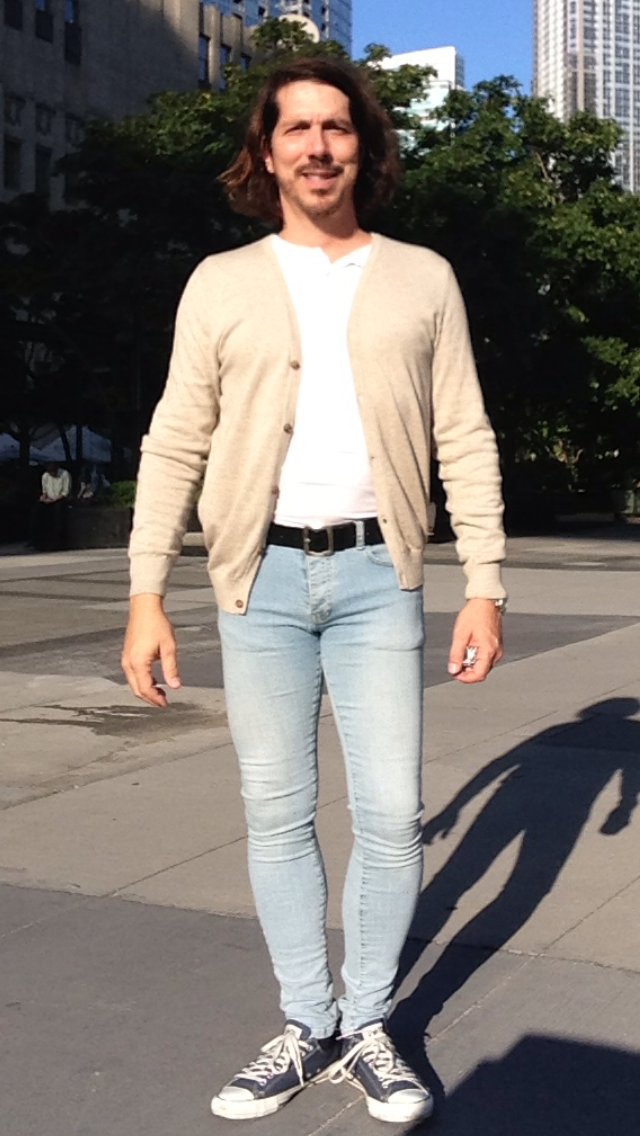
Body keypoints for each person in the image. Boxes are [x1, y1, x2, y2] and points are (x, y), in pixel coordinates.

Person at [122, 57, 506, 1126]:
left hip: (381, 574)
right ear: (268, 150)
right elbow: (174, 438)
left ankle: (368, 1023)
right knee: (277, 812)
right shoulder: (221, 282)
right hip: (261, 579)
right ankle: (307, 1022)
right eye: (297, 128)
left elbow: (464, 432)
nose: (318, 146)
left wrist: (485, 582)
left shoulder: (422, 277)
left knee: (390, 815)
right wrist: (146, 592)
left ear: (362, 146)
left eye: (336, 126)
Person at [32, 462, 71, 549]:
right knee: (36, 511)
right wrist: (44, 498)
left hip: (60, 499)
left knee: (58, 513)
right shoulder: (45, 476)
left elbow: (65, 492)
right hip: (49, 499)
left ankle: (59, 539)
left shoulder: (64, 474)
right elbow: (44, 491)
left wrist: (54, 500)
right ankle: (36, 539)